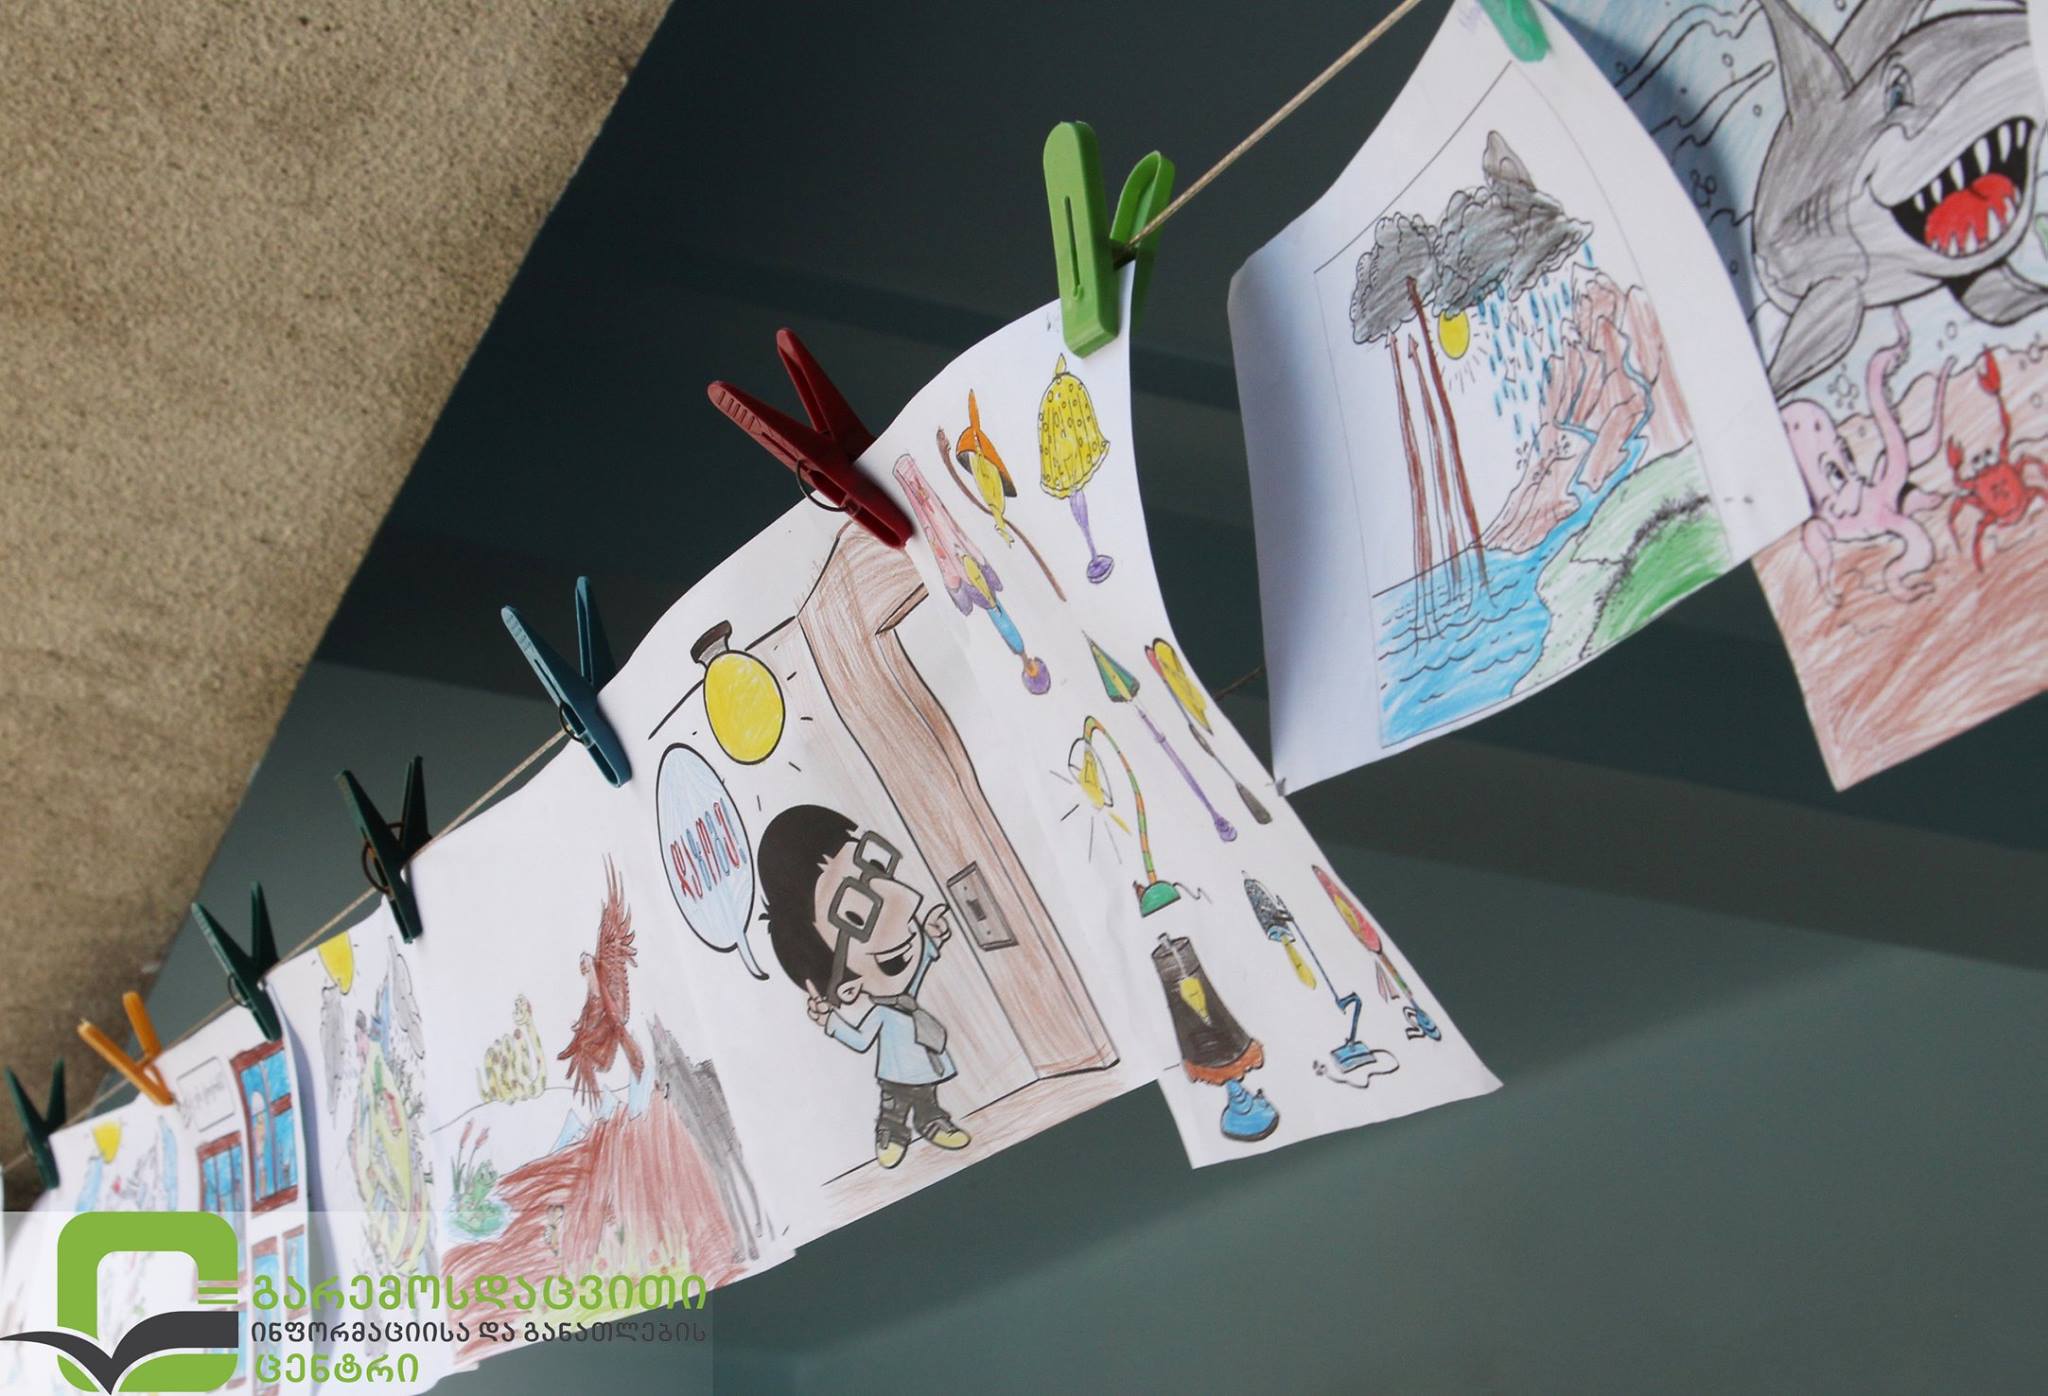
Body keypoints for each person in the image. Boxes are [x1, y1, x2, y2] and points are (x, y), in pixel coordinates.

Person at [759, 804, 972, 1169]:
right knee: (894, 1109)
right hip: (896, 1076)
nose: (907, 900)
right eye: (856, 913)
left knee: (927, 1101)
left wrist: (931, 939)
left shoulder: (905, 997)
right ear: (846, 986)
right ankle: (891, 1133)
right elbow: (860, 1040)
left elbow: (918, 965)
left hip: (926, 1065)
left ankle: (932, 1122)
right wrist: (830, 1021)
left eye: (875, 868)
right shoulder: (881, 1014)